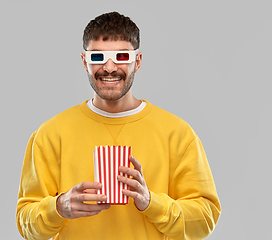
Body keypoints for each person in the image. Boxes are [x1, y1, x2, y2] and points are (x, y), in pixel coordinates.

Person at [16, 11, 221, 240]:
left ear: (138, 61)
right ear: (85, 62)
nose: (110, 67)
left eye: (122, 56)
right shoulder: (50, 135)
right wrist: (58, 207)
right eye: (98, 57)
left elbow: (205, 219)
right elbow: (26, 223)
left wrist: (152, 203)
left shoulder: (178, 134)